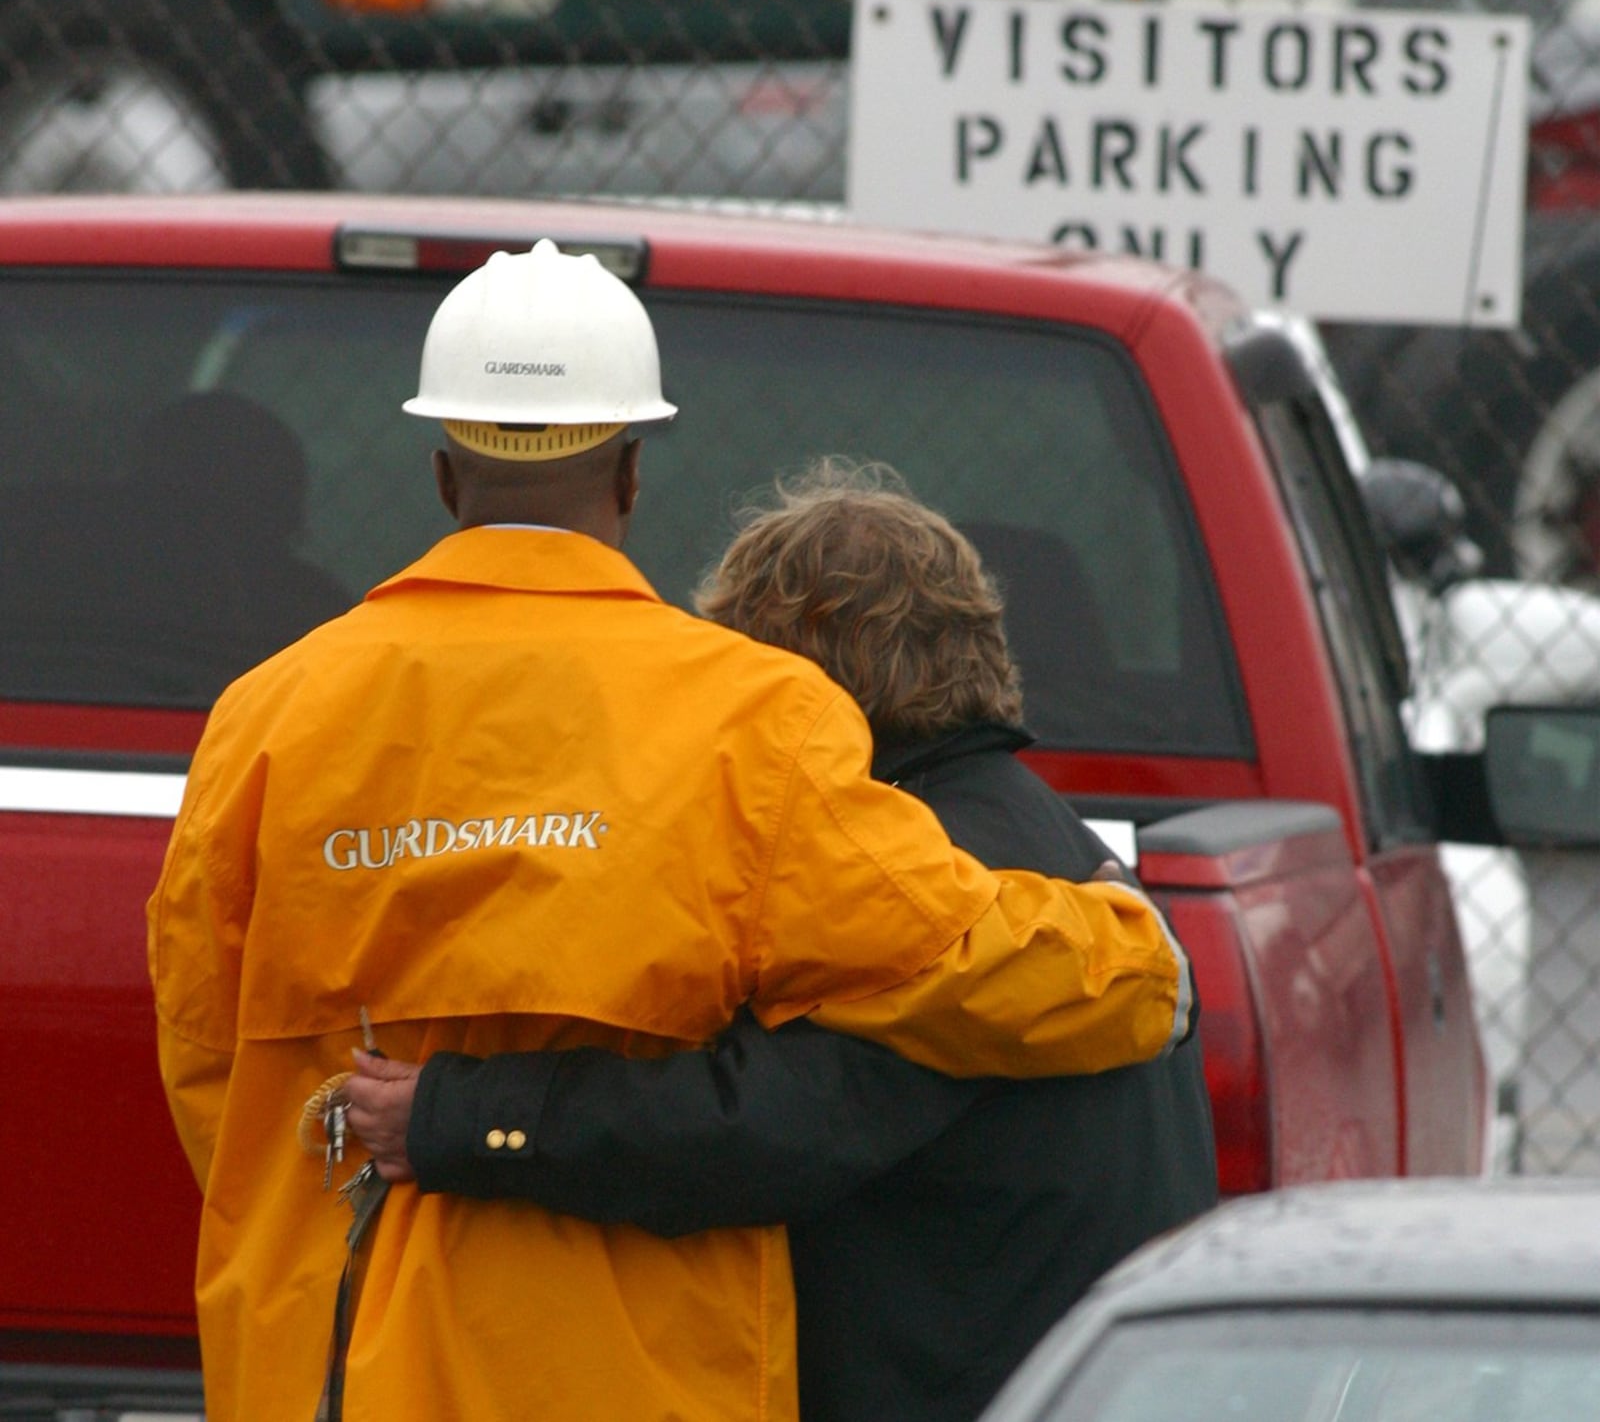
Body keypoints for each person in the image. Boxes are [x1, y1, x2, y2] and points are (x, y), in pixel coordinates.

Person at [147, 241, 1192, 1422]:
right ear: (632, 475)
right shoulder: (750, 720)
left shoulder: (268, 717)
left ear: (444, 476)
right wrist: (1133, 960)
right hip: (629, 1377)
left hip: (330, 1363)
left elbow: (206, 1056)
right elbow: (941, 958)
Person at [346, 462, 1218, 1421]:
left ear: (781, 682)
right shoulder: (1055, 849)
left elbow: (754, 1131)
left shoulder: (923, 877)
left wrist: (459, 1117)